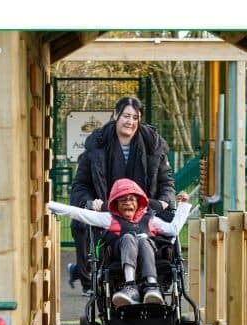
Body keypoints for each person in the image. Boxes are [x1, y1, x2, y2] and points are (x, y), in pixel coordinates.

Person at [68, 96, 176, 296]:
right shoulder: (96, 146)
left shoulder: (153, 145)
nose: (130, 122)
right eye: (126, 116)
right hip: (109, 213)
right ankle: (86, 277)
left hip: (146, 211)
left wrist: (164, 200)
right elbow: (80, 185)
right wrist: (90, 202)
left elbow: (166, 182)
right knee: (80, 226)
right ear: (115, 115)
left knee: (167, 228)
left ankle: (157, 280)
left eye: (135, 117)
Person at [48, 179, 193, 306]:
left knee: (143, 239)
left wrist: (183, 206)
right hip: (120, 253)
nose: (128, 203)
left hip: (148, 252)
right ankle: (130, 287)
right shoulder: (110, 218)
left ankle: (152, 285)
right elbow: (77, 213)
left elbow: (173, 229)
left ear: (139, 203)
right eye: (123, 200)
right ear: (116, 205)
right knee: (129, 237)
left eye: (131, 200)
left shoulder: (150, 219)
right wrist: (49, 204)